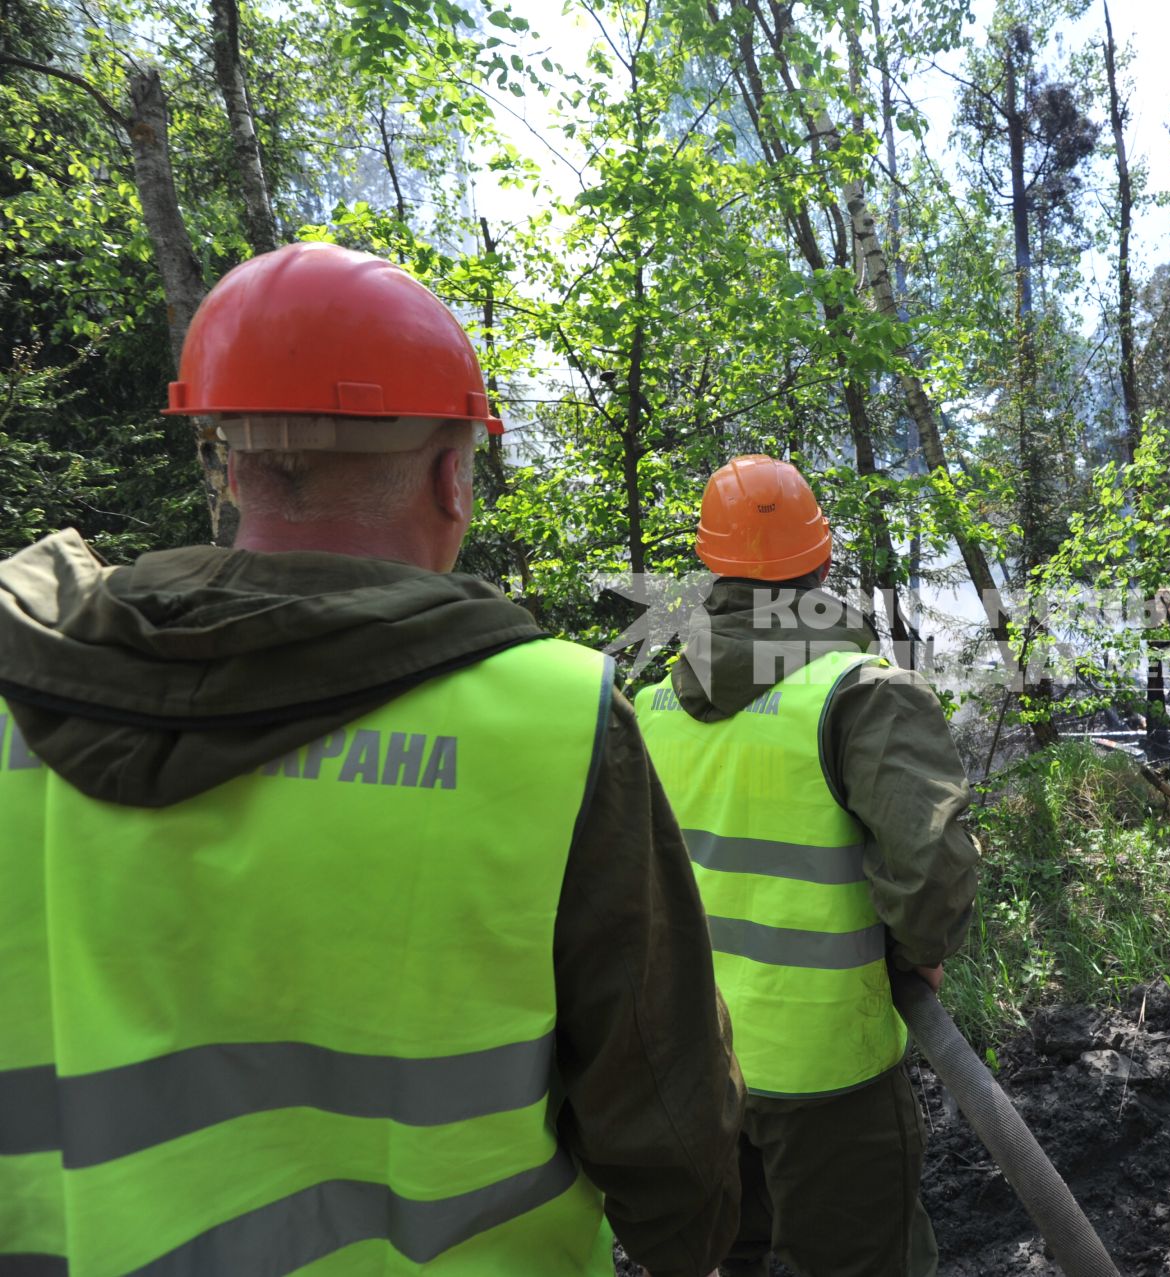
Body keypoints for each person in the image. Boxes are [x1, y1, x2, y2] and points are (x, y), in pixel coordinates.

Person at [0, 243, 742, 1275]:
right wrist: (694, 1246)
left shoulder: (22, 699)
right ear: (451, 474)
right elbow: (663, 1108)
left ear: (225, 459)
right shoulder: (551, 718)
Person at [634, 456, 980, 1277]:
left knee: (743, 1257)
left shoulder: (648, 708)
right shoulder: (860, 693)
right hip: (831, 1069)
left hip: (705, 1065)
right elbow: (930, 864)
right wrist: (923, 952)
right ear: (823, 564)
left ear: (711, 567)